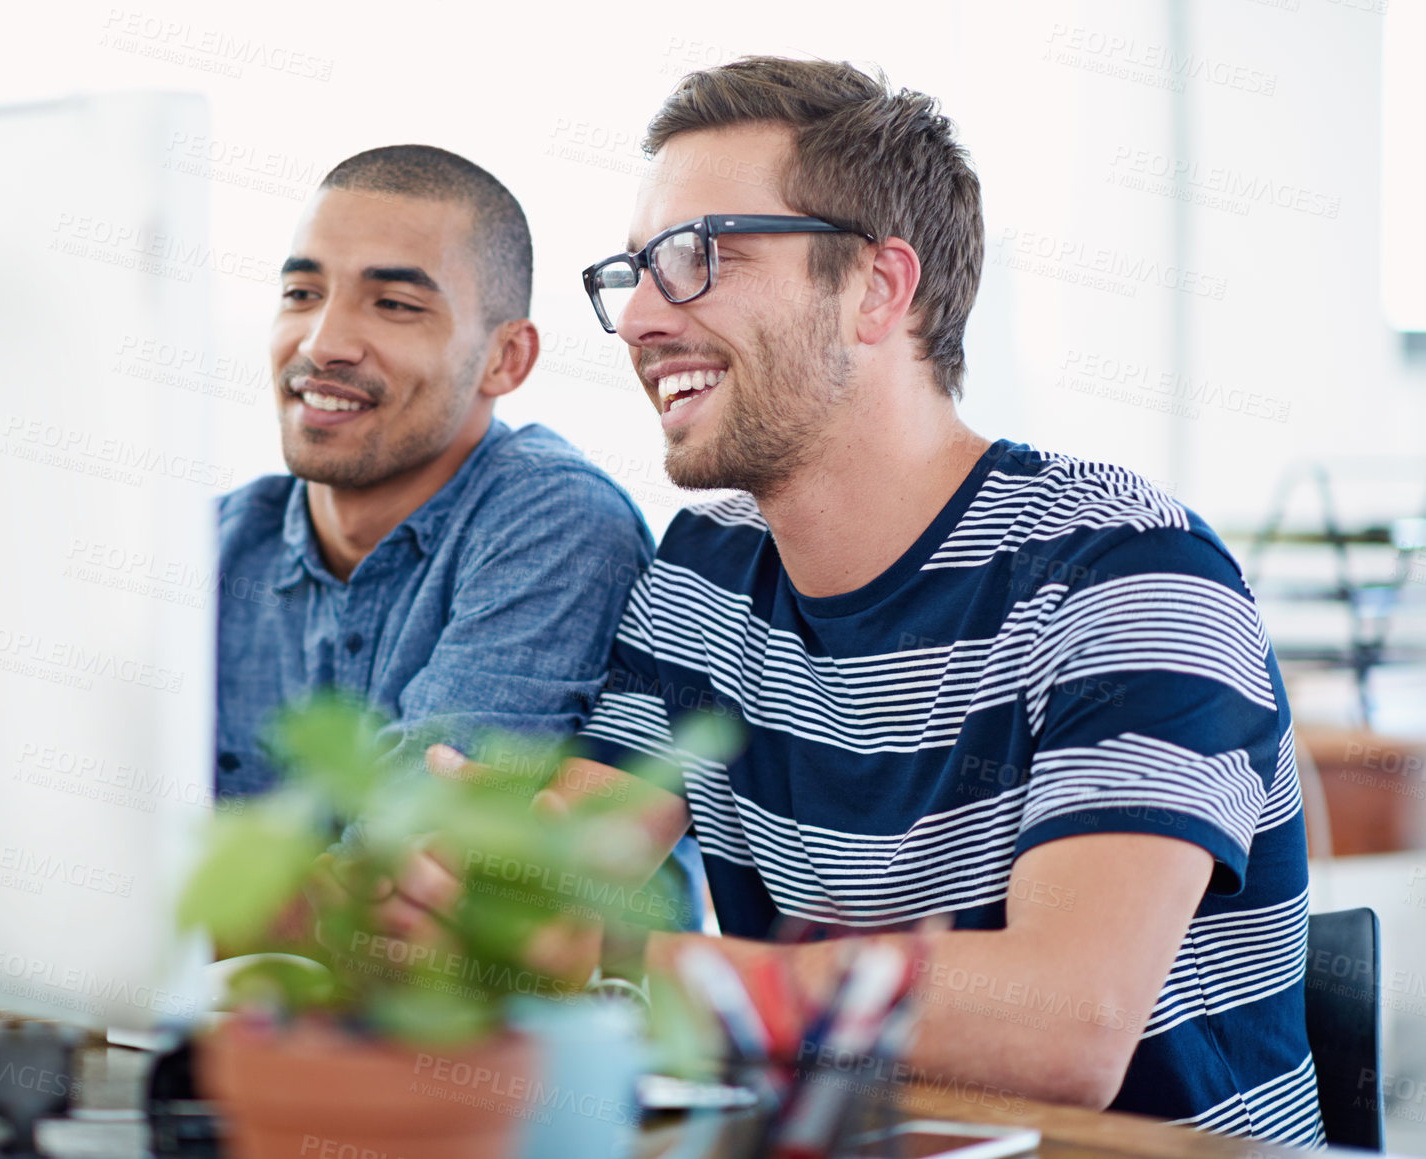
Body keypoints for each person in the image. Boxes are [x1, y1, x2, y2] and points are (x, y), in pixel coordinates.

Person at [385, 60, 1321, 1144]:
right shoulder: (708, 573)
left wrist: (623, 960)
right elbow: (563, 875)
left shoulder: (1131, 573)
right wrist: (456, 869)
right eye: (635, 271)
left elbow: (1065, 1025)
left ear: (877, 288)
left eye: (699, 258)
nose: (638, 317)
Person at [214, 145, 654, 798]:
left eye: (392, 304)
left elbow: (408, 863)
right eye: (301, 293)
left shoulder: (553, 522)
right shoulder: (213, 540)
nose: (320, 343)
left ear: (505, 357)